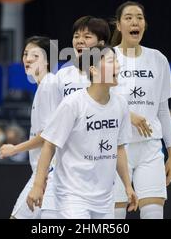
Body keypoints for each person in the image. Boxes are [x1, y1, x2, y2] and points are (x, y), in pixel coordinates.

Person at [26, 45, 138, 219]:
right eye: (111, 61)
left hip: (105, 199)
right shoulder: (73, 104)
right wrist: (38, 185)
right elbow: (49, 145)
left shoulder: (121, 105)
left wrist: (128, 186)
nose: (118, 65)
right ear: (93, 69)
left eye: (117, 61)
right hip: (72, 196)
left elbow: (119, 149)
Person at [110, 1, 171, 219]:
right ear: (118, 25)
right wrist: (128, 115)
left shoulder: (158, 59)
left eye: (139, 17)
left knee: (154, 214)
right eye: (128, 17)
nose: (134, 21)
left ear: (145, 24)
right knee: (115, 218)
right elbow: (97, 102)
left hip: (150, 148)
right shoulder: (107, 57)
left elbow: (163, 110)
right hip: (116, 147)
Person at [0, 36, 58, 219]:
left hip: (49, 172)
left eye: (35, 55)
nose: (28, 59)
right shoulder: (44, 86)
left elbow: (49, 136)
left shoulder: (48, 85)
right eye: (26, 54)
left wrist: (14, 149)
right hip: (45, 171)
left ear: (48, 60)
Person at [54, 16, 110, 102]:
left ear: (101, 44)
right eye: (76, 36)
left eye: (87, 37)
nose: (79, 41)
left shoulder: (110, 75)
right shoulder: (62, 75)